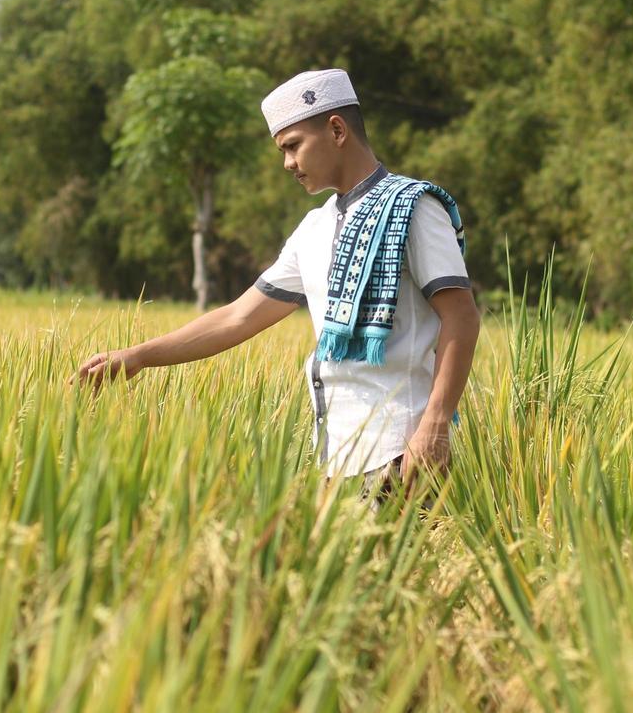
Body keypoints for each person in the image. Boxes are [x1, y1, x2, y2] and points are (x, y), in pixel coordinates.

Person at [75, 68, 480, 495]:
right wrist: (138, 357)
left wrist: (435, 424)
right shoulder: (314, 228)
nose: (287, 163)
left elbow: (462, 317)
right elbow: (238, 317)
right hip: (336, 460)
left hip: (402, 450)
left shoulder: (414, 207)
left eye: (292, 146)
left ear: (337, 130)